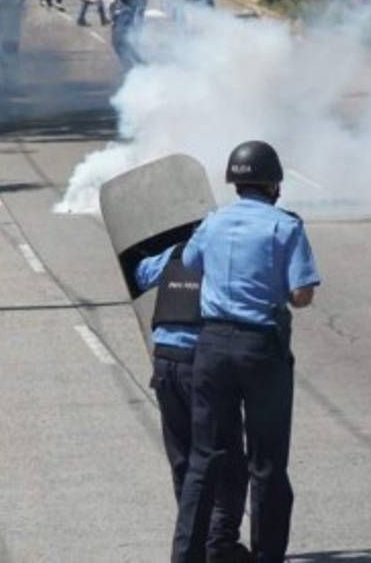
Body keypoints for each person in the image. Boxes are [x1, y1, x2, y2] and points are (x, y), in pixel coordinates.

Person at [171, 140, 320, 563]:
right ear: (274, 184)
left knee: (205, 458)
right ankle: (267, 555)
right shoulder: (285, 226)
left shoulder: (213, 222)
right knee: (267, 461)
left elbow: (191, 263)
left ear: (234, 183)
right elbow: (302, 294)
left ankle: (186, 556)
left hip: (213, 347)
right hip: (260, 350)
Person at [136, 241, 251, 563]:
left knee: (184, 461)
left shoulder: (175, 252)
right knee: (224, 459)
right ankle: (219, 545)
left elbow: (141, 274)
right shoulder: (227, 255)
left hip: (164, 364)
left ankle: (195, 540)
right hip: (202, 365)